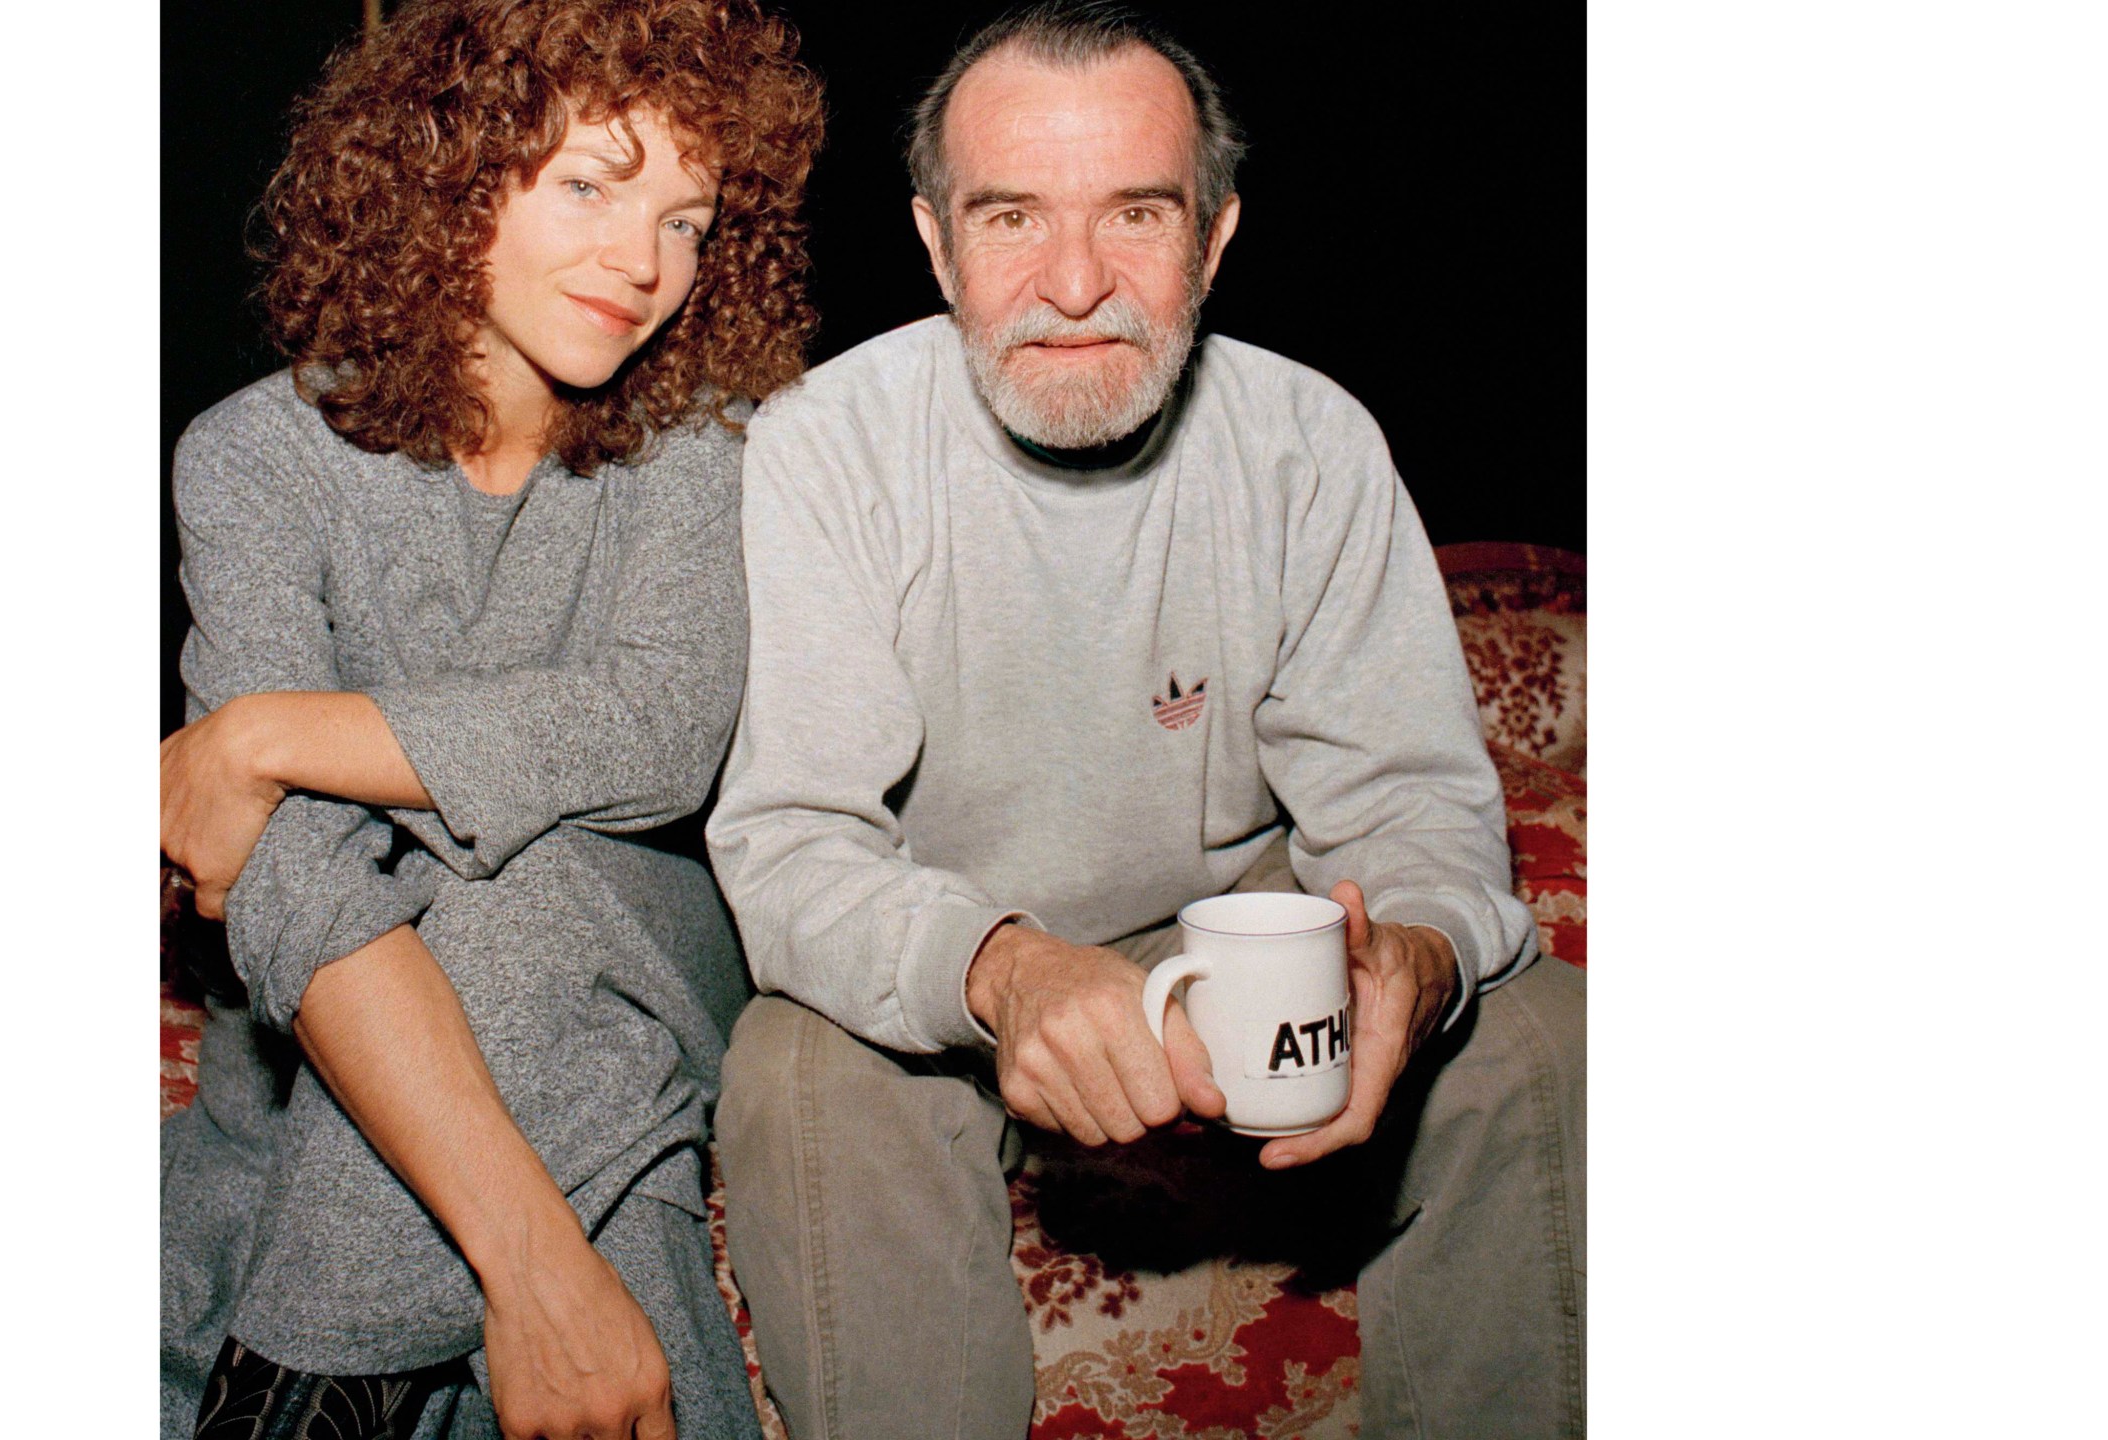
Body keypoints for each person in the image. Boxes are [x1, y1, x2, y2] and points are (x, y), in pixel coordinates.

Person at [702, 4, 1585, 1438]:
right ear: (934, 245)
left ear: (1214, 240)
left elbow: (1420, 813)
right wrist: (1004, 973)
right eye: (1010, 219)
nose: (1073, 284)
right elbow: (796, 847)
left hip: (1231, 926)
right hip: (955, 965)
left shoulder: (1313, 444)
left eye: (1134, 213)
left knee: (1545, 1042)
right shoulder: (820, 450)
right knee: (795, 1075)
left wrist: (1413, 966)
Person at [157, 3, 821, 1437]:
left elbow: (656, 733)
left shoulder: (698, 433)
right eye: (591, 183)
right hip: (359, 1054)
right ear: (443, 168)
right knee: (511, 970)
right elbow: (287, 881)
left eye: (691, 221)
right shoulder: (254, 460)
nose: (646, 265)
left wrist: (263, 735)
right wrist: (538, 1272)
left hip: (637, 970)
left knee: (523, 902)